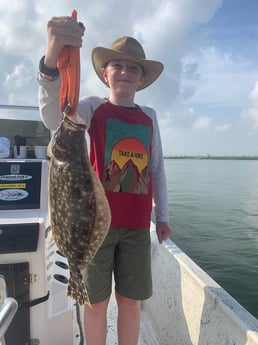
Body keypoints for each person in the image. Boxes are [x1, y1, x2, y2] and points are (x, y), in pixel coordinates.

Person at [38, 14, 171, 345]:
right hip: (94, 226)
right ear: (104, 73)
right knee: (96, 301)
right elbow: (55, 117)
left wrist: (163, 216)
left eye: (134, 68)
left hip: (139, 226)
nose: (125, 72)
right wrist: (51, 62)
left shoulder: (149, 117)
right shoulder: (91, 108)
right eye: (118, 66)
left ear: (141, 80)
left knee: (130, 300)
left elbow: (156, 169)